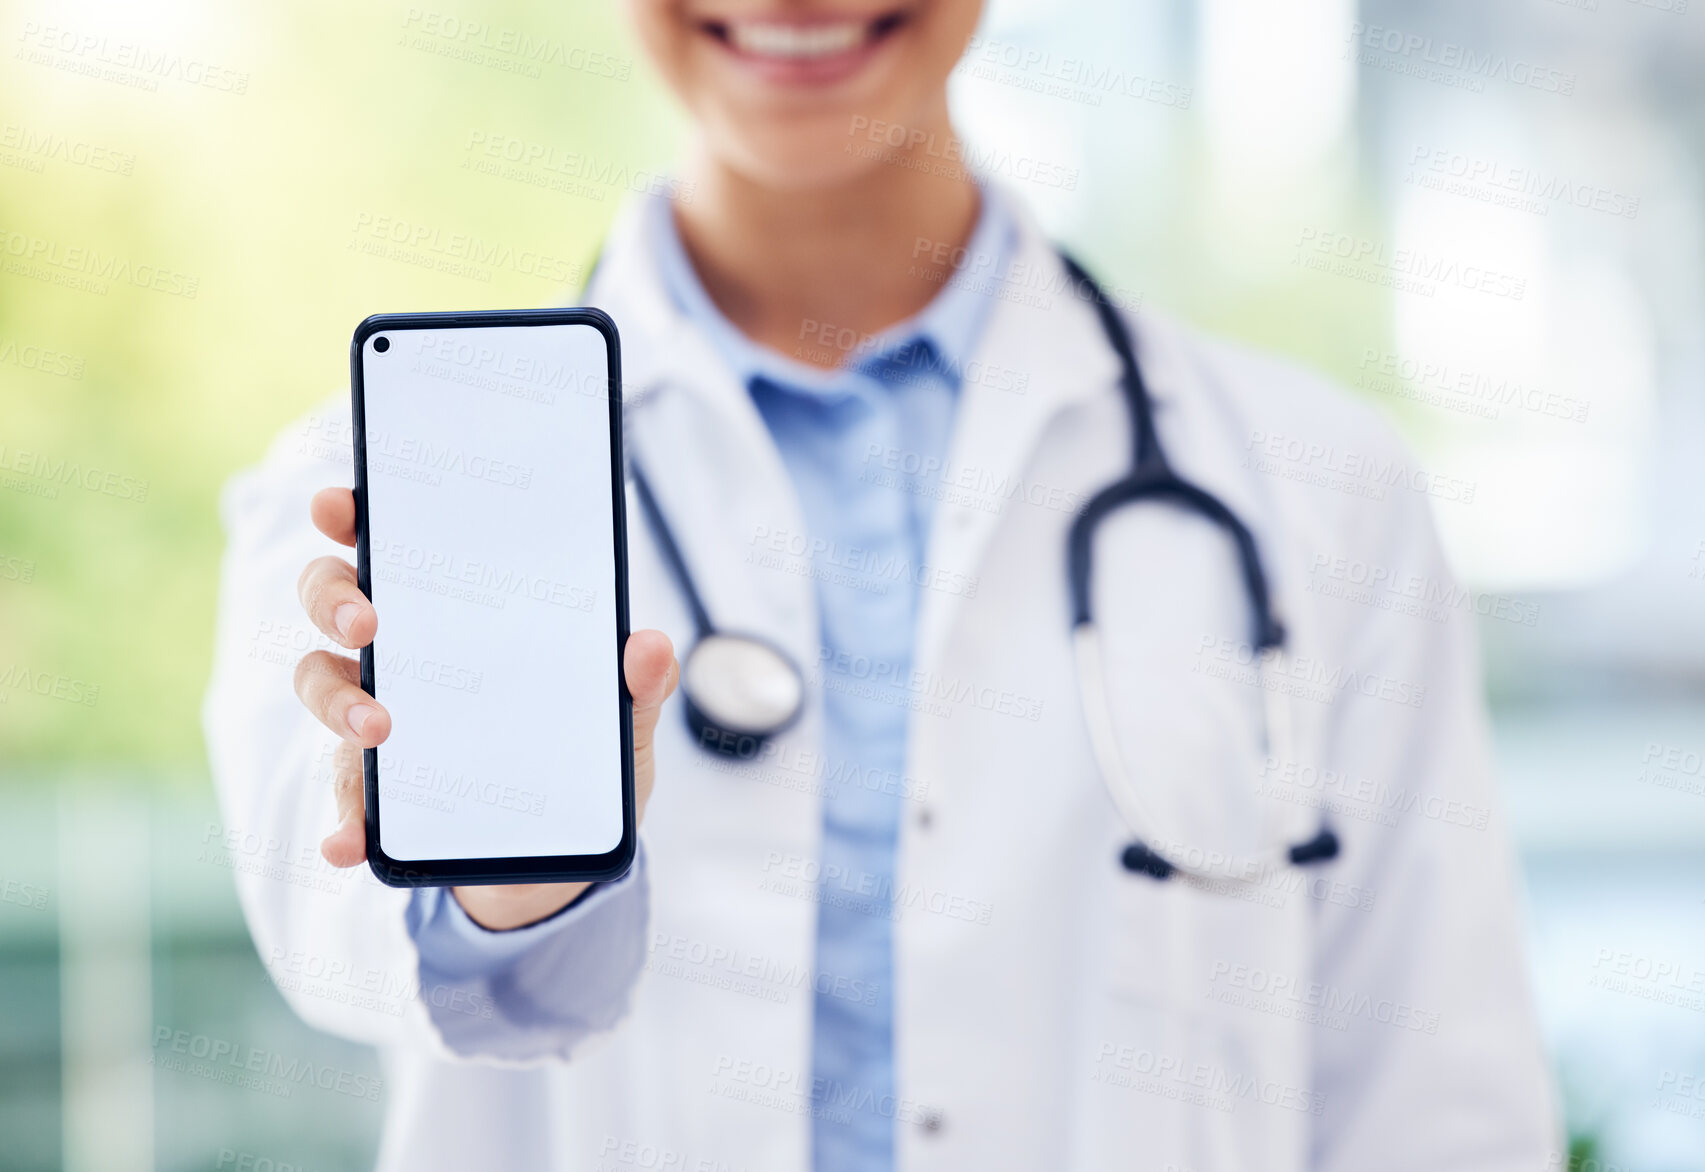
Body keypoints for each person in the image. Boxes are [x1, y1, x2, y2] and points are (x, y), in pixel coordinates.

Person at [205, 1, 1561, 1168]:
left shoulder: (1320, 488)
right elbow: (366, 964)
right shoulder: (363, 497)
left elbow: (1439, 1112)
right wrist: (510, 890)